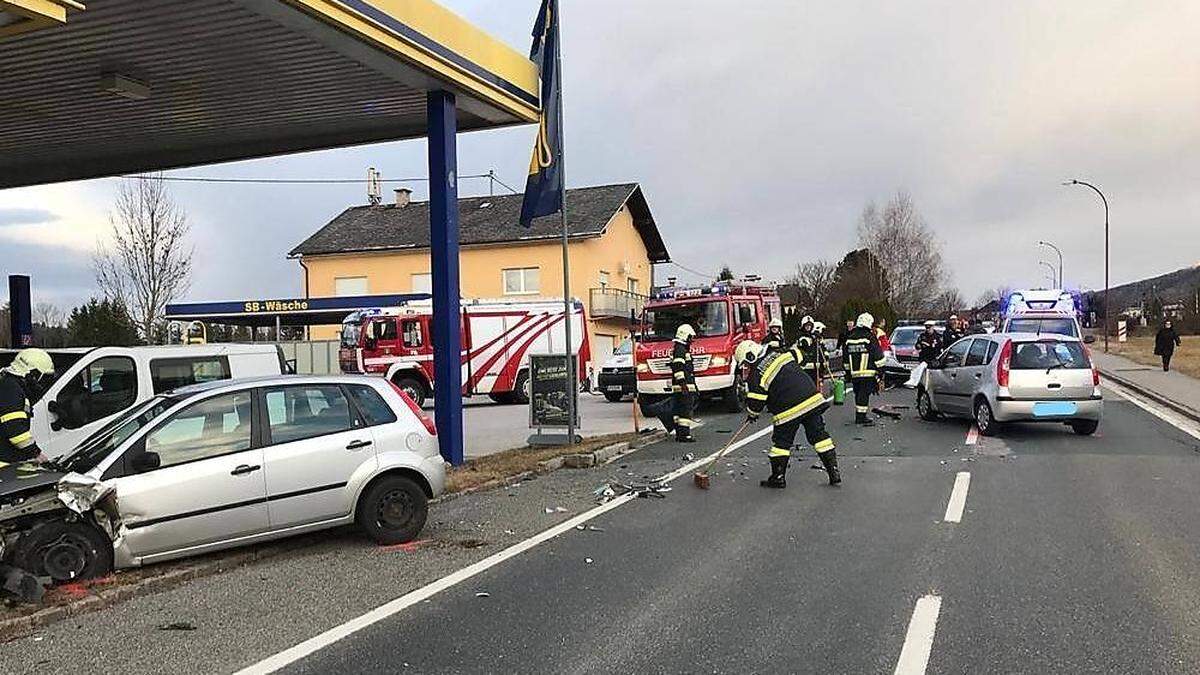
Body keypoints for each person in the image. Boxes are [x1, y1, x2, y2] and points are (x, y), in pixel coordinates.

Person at [735, 340, 840, 488]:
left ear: (750, 357)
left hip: (788, 409)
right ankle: (833, 471)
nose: (745, 368)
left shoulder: (756, 373)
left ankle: (778, 477)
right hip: (811, 399)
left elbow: (756, 401)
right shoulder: (780, 353)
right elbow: (800, 355)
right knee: (819, 436)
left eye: (745, 363)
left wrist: (752, 414)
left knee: (781, 443)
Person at [0, 348, 56, 464]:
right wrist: (36, 453)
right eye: (44, 378)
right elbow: (15, 428)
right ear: (33, 375)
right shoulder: (12, 390)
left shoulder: (8, 384)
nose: (42, 384)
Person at [844, 312, 886, 425]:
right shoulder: (870, 337)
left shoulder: (850, 338)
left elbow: (845, 358)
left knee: (858, 394)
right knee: (864, 394)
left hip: (854, 373)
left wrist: (847, 373)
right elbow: (878, 356)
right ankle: (861, 417)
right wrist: (881, 371)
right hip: (867, 373)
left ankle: (859, 415)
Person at [670, 323, 698, 442]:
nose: (692, 340)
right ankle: (684, 435)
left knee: (679, 410)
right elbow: (678, 367)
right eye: (690, 337)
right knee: (685, 411)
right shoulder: (680, 349)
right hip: (683, 385)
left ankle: (679, 433)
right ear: (685, 336)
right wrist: (683, 384)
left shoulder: (679, 348)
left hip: (681, 385)